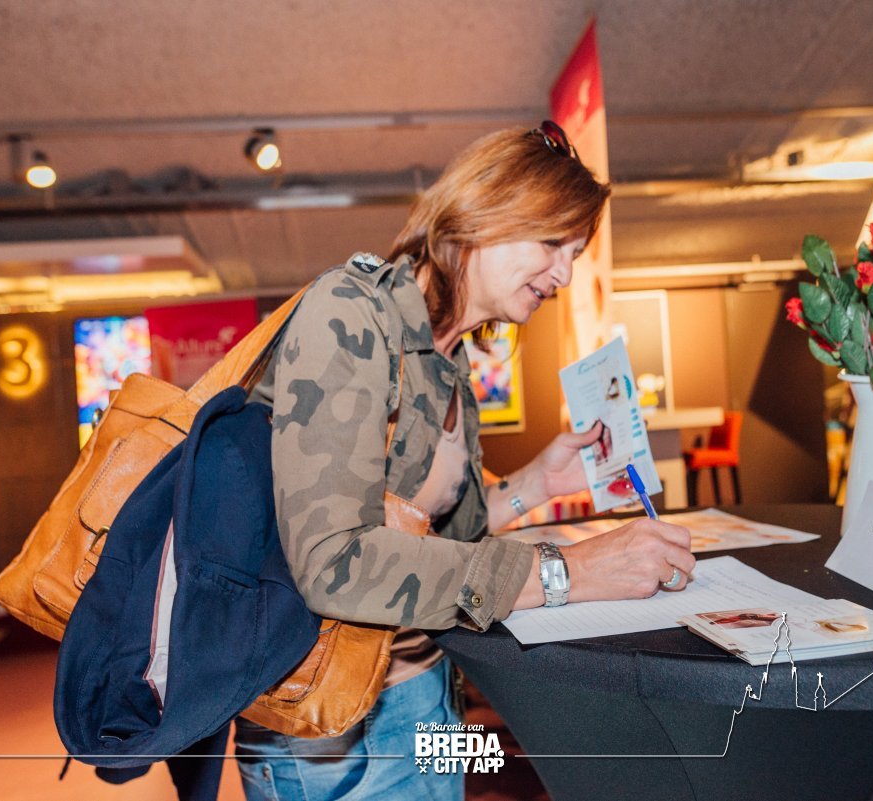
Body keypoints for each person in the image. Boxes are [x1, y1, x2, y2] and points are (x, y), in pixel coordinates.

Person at [236, 121, 696, 801]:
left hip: (424, 688)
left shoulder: (449, 362)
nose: (565, 274)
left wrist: (539, 482)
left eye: (575, 253)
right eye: (553, 244)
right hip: (331, 725)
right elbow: (334, 564)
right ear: (483, 213)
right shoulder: (351, 314)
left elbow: (448, 545)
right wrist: (571, 571)